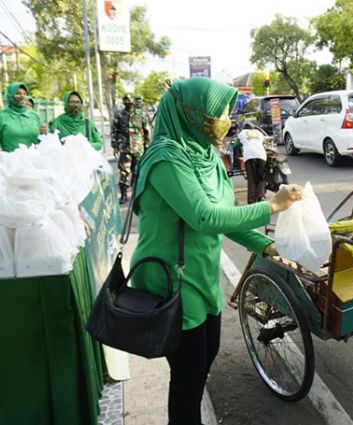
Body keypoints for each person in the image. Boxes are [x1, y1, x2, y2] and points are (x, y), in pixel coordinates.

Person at [130, 77, 303, 424]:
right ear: (190, 113)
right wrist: (272, 206)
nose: (224, 120)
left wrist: (266, 246)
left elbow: (227, 218)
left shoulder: (207, 155)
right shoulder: (166, 158)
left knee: (205, 358)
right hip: (172, 282)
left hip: (203, 277)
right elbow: (205, 217)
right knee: (188, 378)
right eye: (217, 112)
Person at [112, 93, 150, 204]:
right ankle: (123, 195)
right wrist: (115, 147)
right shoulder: (119, 115)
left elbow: (146, 131)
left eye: (129, 99)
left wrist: (147, 147)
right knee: (124, 172)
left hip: (138, 148)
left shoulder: (141, 115)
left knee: (137, 172)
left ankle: (136, 194)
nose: (127, 101)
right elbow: (114, 131)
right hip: (125, 148)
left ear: (133, 100)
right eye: (125, 100)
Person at [0, 82, 47, 152]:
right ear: (10, 96)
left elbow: (40, 140)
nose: (22, 96)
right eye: (18, 93)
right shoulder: (0, 116)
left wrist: (44, 134)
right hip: (11, 160)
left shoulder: (35, 116)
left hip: (33, 159)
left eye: (25, 94)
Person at [237, 122, 267, 204]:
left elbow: (236, 145)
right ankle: (261, 197)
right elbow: (264, 143)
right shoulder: (259, 133)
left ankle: (251, 200)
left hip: (249, 156)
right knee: (261, 177)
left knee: (251, 179)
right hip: (261, 155)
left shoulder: (242, 133)